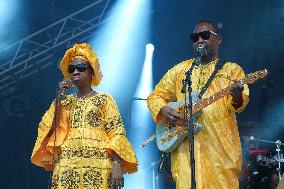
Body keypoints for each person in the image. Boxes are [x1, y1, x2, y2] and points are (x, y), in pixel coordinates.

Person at [147, 20, 249, 189]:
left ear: (219, 40)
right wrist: (164, 109)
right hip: (185, 156)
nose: (200, 40)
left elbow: (239, 105)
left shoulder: (231, 70)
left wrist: (237, 95)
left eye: (205, 36)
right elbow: (155, 96)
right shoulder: (180, 71)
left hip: (220, 156)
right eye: (195, 38)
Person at [31, 43, 138, 189]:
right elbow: (48, 130)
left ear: (92, 71)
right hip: (67, 167)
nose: (75, 71)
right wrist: (59, 99)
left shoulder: (105, 99)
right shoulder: (63, 101)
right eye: (71, 69)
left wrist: (117, 165)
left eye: (81, 67)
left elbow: (117, 133)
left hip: (98, 167)